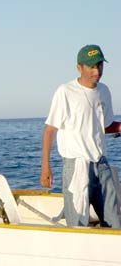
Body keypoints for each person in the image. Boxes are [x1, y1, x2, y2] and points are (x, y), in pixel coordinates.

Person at [40, 44, 121, 228]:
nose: (97, 70)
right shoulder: (65, 92)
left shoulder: (104, 91)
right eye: (92, 66)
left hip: (101, 164)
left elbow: (106, 126)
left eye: (100, 65)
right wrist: (46, 167)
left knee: (115, 222)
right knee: (77, 224)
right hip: (76, 166)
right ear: (79, 67)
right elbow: (50, 130)